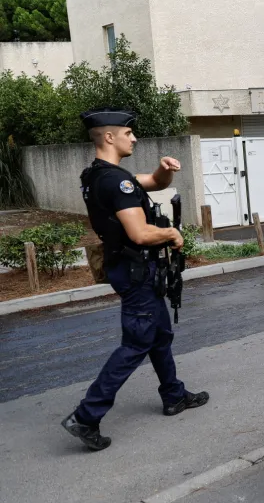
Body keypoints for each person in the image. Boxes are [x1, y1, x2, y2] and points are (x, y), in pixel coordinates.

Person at [61, 107, 208, 451]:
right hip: (136, 270)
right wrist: (172, 233)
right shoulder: (117, 181)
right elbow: (140, 233)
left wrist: (163, 169)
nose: (134, 138)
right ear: (109, 137)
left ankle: (173, 395)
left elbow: (154, 183)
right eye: (128, 134)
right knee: (136, 342)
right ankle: (86, 417)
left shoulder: (98, 175)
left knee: (158, 333)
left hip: (127, 268)